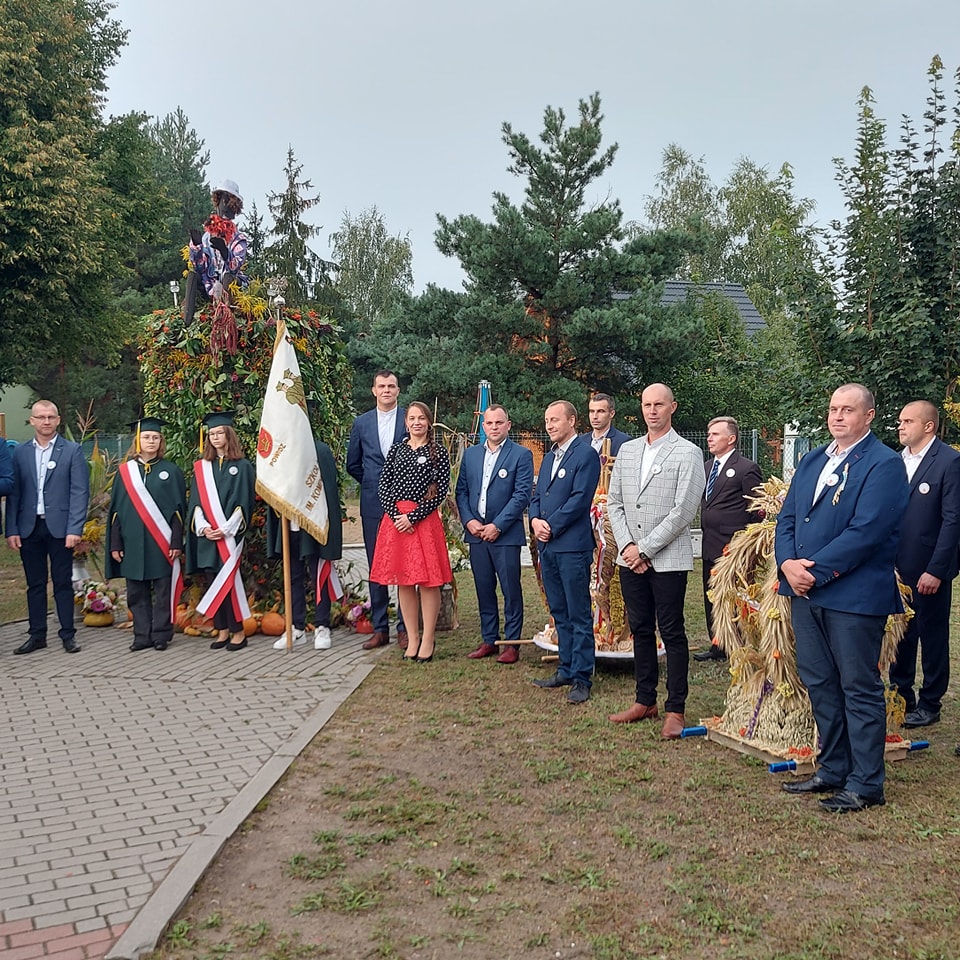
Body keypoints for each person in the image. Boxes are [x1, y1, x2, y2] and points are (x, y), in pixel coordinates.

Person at [775, 384, 908, 814]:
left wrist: (811, 571)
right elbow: (788, 518)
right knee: (820, 682)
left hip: (852, 595)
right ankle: (832, 768)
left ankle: (867, 782)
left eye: (847, 409)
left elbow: (867, 532)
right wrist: (787, 565)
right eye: (833, 408)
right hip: (803, 591)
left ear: (868, 416)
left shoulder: (884, 464)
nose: (837, 416)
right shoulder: (813, 458)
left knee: (857, 686)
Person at [606, 383, 705, 738]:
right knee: (641, 630)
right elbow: (613, 503)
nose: (652, 411)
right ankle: (644, 699)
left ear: (672, 407)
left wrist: (644, 549)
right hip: (630, 558)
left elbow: (683, 513)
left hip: (667, 561)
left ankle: (675, 708)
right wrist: (629, 547)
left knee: (673, 633)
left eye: (659, 404)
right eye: (647, 404)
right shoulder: (629, 451)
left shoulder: (688, 453)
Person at [888, 401, 960, 728]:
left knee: (931, 636)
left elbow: (953, 521)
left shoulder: (948, 462)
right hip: (895, 569)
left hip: (927, 569)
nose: (901, 427)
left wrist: (937, 569)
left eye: (908, 421)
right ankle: (902, 695)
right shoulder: (895, 461)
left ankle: (931, 702)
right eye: (900, 421)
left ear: (928, 426)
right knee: (900, 634)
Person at [530, 401, 601, 704]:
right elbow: (537, 495)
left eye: (555, 420)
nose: (549, 425)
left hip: (571, 546)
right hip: (548, 547)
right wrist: (534, 521)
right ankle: (566, 668)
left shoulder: (585, 455)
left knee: (578, 613)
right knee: (559, 612)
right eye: (546, 420)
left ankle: (582, 678)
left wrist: (550, 525)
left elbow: (579, 499)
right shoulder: (548, 458)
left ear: (572, 421)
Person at [370, 402, 452, 663]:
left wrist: (413, 517)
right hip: (396, 523)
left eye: (421, 418)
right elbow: (383, 487)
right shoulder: (396, 450)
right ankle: (412, 637)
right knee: (404, 581)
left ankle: (428, 638)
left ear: (429, 422)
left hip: (424, 522)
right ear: (406, 422)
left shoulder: (438, 451)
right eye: (412, 418)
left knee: (428, 582)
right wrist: (397, 517)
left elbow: (440, 491)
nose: (417, 422)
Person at [5, 400, 90, 654]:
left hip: (61, 529)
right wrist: (12, 529)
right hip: (29, 528)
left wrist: (75, 528)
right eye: (40, 417)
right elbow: (14, 494)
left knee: (62, 582)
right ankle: (37, 635)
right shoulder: (19, 452)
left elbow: (79, 492)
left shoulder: (72, 450)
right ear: (31, 420)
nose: (45, 422)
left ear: (58, 419)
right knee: (35, 584)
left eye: (50, 417)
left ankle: (67, 634)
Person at [456, 404, 534, 664]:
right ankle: (489, 639)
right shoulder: (471, 454)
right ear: (483, 426)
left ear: (508, 425)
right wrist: (468, 521)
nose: (494, 427)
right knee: (483, 588)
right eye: (489, 423)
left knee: (511, 589)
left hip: (505, 535)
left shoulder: (521, 455)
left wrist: (497, 525)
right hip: (476, 534)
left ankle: (511, 643)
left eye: (499, 423)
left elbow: (521, 495)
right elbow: (462, 492)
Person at [105, 418, 187, 652]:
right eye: (146, 437)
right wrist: (115, 542)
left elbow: (179, 511)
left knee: (162, 590)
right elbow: (116, 512)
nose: (151, 441)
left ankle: (161, 634)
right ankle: (141, 635)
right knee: (136, 591)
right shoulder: (124, 472)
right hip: (132, 543)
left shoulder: (171, 471)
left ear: (161, 441)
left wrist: (175, 541)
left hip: (161, 543)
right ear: (137, 440)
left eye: (155, 437)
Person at [346, 370, 408, 650]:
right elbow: (353, 464)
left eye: (391, 386)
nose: (386, 390)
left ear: (398, 390)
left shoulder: (410, 418)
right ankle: (380, 627)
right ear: (373, 390)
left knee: (405, 564)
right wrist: (375, 483)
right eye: (381, 386)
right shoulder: (361, 423)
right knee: (377, 566)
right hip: (372, 504)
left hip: (405, 504)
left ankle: (406, 627)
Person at [694, 416, 762, 662]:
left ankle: (739, 644)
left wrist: (747, 546)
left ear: (731, 438)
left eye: (715, 434)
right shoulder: (705, 467)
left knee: (734, 596)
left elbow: (758, 510)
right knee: (711, 595)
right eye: (709, 433)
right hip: (709, 543)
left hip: (733, 547)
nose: (709, 438)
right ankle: (717, 644)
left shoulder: (746, 468)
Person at [186, 411, 256, 651]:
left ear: (229, 435)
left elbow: (245, 502)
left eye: (220, 433)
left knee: (229, 582)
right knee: (212, 580)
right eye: (212, 434)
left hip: (230, 536)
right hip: (208, 537)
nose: (215, 437)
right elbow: (195, 502)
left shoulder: (243, 466)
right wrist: (204, 527)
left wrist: (226, 529)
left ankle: (238, 632)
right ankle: (222, 630)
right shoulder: (202, 468)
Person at [267, 437, 343, 650]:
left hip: (314, 525)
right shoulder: (280, 451)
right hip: (289, 525)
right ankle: (296, 627)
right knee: (293, 577)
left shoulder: (319, 450)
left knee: (318, 576)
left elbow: (328, 490)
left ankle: (322, 625)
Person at [183, 180, 249, 324]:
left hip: (232, 287)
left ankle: (223, 322)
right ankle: (186, 321)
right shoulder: (207, 237)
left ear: (235, 209)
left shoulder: (239, 238)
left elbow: (235, 267)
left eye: (229, 205)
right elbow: (200, 267)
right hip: (210, 285)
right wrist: (197, 246)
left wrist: (225, 251)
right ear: (217, 203)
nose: (225, 208)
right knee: (193, 274)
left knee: (228, 277)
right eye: (222, 202)